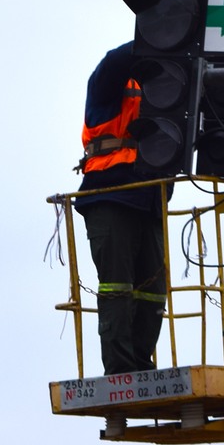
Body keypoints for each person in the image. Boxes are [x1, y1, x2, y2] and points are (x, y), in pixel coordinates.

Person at [75, 40, 174, 375]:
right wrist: (166, 38)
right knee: (118, 286)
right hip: (110, 192)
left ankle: (140, 362)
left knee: (153, 291)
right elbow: (115, 60)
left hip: (149, 196)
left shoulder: (167, 91)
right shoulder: (109, 83)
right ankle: (119, 369)